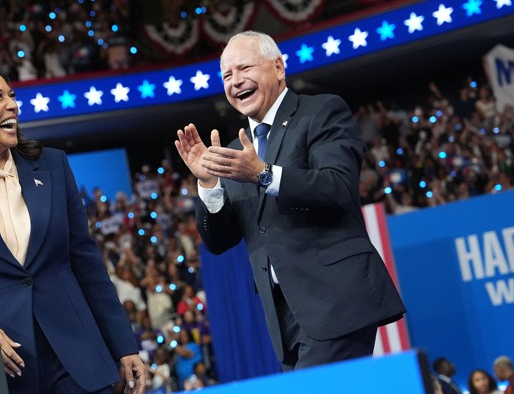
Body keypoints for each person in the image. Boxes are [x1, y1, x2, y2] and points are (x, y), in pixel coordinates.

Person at [0, 62, 146, 393]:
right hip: (0, 367)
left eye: (12, 95)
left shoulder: (53, 165)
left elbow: (86, 262)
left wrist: (124, 344)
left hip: (76, 356)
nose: (13, 105)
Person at [173, 30, 406, 371]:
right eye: (226, 75)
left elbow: (338, 187)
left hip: (336, 301)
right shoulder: (236, 152)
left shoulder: (322, 111)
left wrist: (264, 174)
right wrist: (208, 184)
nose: (235, 81)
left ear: (279, 68)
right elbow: (220, 242)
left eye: (244, 68)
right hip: (284, 317)